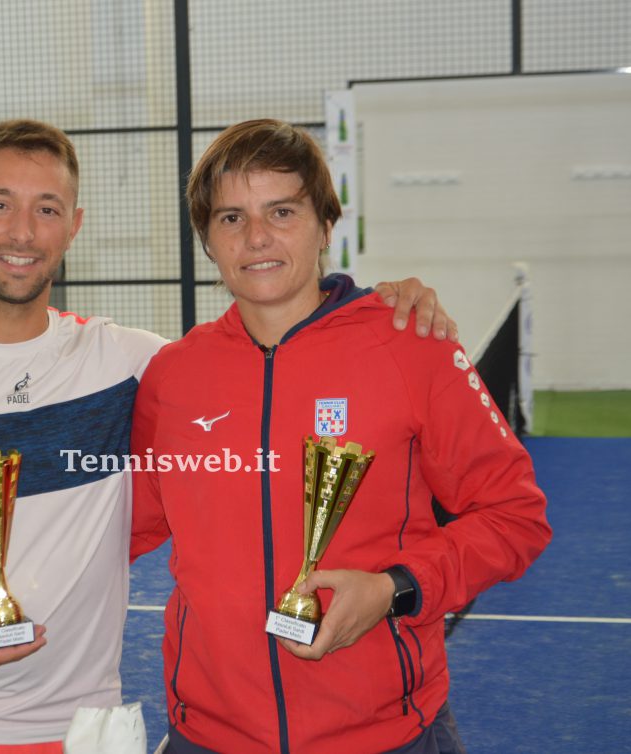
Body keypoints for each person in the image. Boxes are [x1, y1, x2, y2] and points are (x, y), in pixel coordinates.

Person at [0, 118, 458, 753]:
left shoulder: (135, 364)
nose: (21, 231)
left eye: (47, 209)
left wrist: (376, 310)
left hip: (81, 728)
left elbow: (267, 349)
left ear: (74, 225)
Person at [130, 119, 552, 754]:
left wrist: (395, 588)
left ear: (326, 226)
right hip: (209, 735)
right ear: (208, 242)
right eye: (231, 218)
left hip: (386, 734)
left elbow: (516, 515)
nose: (258, 238)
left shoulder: (410, 345)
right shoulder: (173, 375)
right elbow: (121, 522)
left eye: (282, 210)